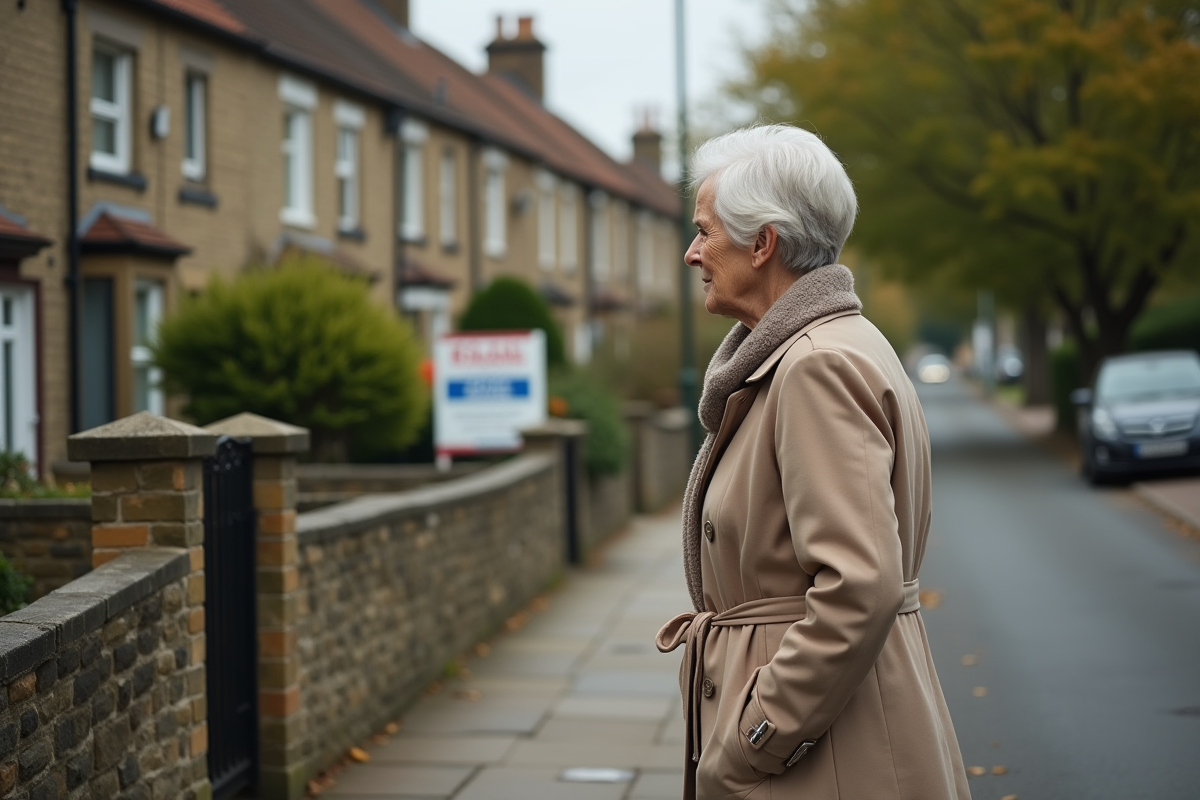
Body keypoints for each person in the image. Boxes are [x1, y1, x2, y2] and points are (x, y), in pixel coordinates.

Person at [656, 124, 971, 800]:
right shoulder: (833, 345)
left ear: (762, 242)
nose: (691, 253)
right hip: (838, 734)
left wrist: (757, 734)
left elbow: (859, 586)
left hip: (826, 756)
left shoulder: (815, 365)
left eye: (704, 231)